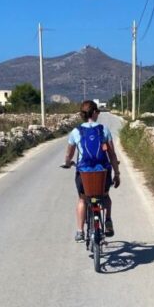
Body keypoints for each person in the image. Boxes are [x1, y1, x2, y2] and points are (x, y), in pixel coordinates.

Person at [63, 100, 120, 242]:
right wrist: (117, 174)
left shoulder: (76, 131)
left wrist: (68, 163)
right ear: (94, 112)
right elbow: (112, 155)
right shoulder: (104, 130)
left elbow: (69, 154)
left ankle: (80, 231)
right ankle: (107, 220)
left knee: (82, 199)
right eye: (98, 111)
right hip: (103, 173)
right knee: (105, 196)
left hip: (84, 173)